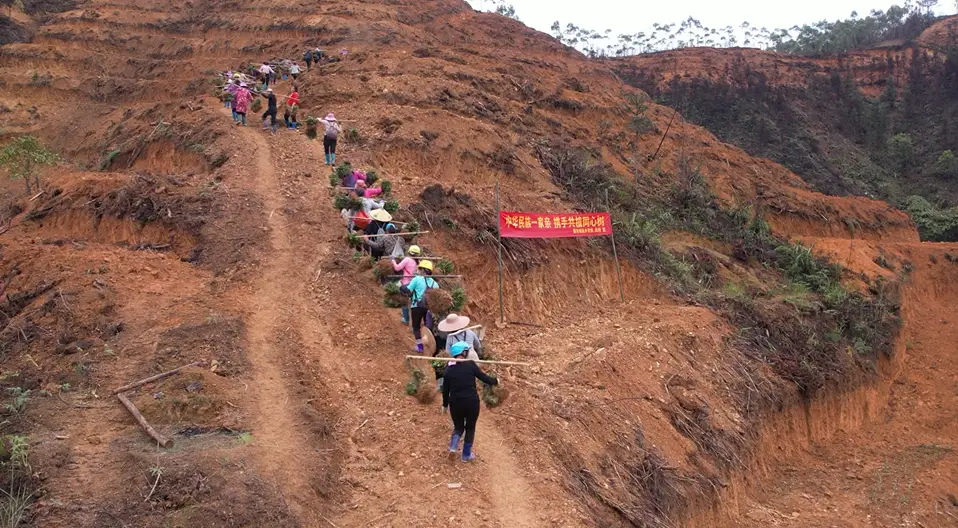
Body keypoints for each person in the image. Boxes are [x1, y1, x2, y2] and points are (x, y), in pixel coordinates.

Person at [443, 341, 498, 462]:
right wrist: (496, 381)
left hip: (455, 402)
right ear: (463, 352)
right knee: (470, 427)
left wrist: (444, 404)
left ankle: (453, 447)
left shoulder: (448, 368)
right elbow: (484, 378)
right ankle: (466, 455)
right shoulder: (470, 365)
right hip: (471, 402)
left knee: (458, 427)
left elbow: (445, 389)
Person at [402, 260, 438, 354]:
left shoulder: (417, 279)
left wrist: (402, 287)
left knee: (416, 327)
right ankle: (431, 347)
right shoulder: (435, 284)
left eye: (419, 269)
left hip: (416, 306)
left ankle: (420, 347)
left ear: (422, 270)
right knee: (428, 327)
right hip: (429, 309)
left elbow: (408, 290)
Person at [392, 245, 421, 324]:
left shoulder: (407, 259)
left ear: (409, 252)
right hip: (415, 284)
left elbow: (397, 268)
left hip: (406, 284)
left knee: (404, 301)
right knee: (413, 302)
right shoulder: (418, 262)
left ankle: (406, 319)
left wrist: (393, 261)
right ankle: (414, 319)